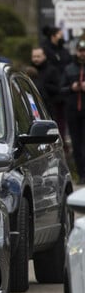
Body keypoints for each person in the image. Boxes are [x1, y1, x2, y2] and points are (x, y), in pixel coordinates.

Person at [60, 39, 85, 184]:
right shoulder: (69, 69)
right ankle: (81, 174)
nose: (82, 54)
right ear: (77, 52)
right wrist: (72, 88)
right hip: (73, 111)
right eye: (81, 51)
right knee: (76, 144)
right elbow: (61, 89)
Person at [30, 47, 61, 118]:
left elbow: (57, 89)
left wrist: (43, 86)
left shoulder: (52, 71)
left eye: (38, 56)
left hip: (49, 108)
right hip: (33, 108)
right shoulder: (29, 71)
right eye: (34, 57)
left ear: (44, 56)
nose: (36, 59)